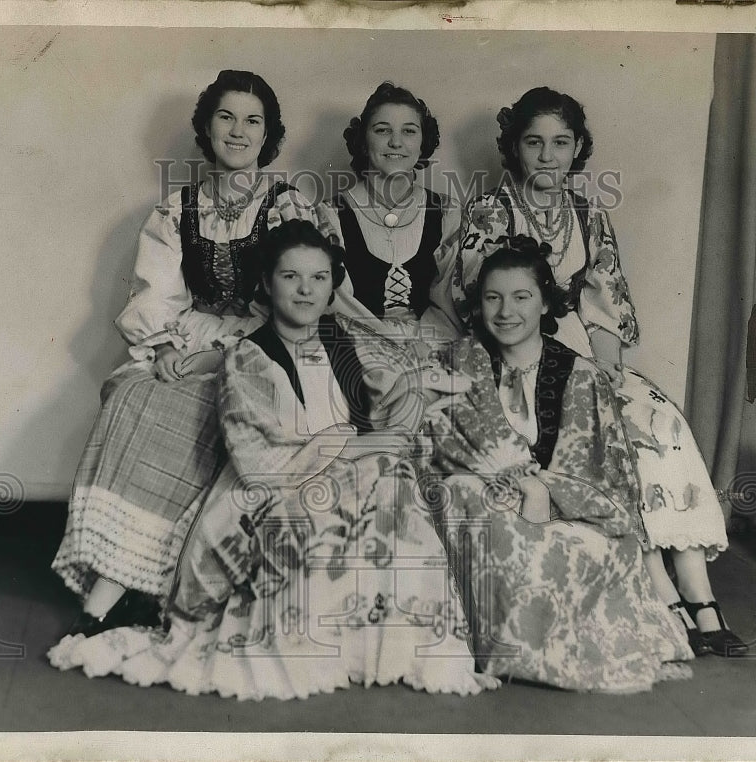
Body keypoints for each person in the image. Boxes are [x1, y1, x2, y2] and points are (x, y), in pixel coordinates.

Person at [50, 220, 498, 700]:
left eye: (319, 278)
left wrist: (407, 400)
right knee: (374, 475)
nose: (305, 290)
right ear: (266, 282)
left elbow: (389, 396)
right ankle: (311, 634)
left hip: (343, 477)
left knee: (396, 481)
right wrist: (360, 445)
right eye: (291, 277)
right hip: (259, 496)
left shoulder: (342, 341)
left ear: (332, 288)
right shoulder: (249, 355)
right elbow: (261, 459)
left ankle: (394, 646)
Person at [50, 70, 348, 639]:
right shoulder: (178, 208)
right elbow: (157, 288)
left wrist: (224, 357)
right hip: (192, 336)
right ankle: (117, 578)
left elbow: (297, 303)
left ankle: (145, 587)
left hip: (268, 349)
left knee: (191, 412)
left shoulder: (288, 207)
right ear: (206, 129)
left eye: (252, 120)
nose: (238, 131)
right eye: (226, 117)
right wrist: (163, 346)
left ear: (269, 134)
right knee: (132, 393)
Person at [452, 86, 747, 657]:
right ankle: (656, 592)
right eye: (534, 142)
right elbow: (485, 307)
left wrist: (609, 370)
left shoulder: (588, 213)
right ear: (514, 147)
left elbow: (603, 303)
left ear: (578, 148)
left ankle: (699, 592)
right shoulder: (490, 212)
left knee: (653, 419)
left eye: (561, 143)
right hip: (516, 354)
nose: (547, 155)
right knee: (601, 436)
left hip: (582, 353)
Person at [420, 241, 694, 692]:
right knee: (473, 506)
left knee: (582, 548)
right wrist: (504, 482)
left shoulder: (580, 373)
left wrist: (543, 489)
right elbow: (435, 442)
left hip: (566, 507)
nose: (506, 311)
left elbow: (606, 474)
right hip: (482, 501)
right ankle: (508, 652)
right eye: (493, 297)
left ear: (545, 302)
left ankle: (556, 651)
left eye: (521, 297)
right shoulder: (457, 362)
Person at [320, 82, 463, 347]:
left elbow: (448, 302)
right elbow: (339, 304)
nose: (396, 142)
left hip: (430, 347)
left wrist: (425, 348)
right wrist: (389, 349)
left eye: (409, 131)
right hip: (359, 349)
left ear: (423, 143)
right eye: (382, 130)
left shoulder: (446, 212)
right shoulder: (330, 214)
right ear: (363, 141)